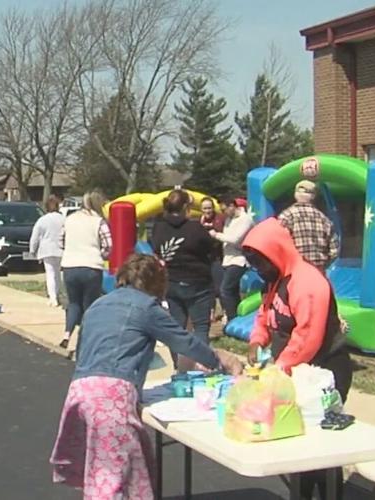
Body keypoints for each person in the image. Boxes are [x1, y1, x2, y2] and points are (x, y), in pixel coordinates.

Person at [50, 254, 242, 498]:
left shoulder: (97, 305)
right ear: (156, 284)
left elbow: (86, 349)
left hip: (80, 390)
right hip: (111, 395)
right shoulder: (146, 307)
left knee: (112, 465)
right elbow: (183, 341)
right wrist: (219, 360)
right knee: (113, 479)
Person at [243, 217, 353, 500]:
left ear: (275, 251)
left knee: (320, 444)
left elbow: (308, 335)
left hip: (325, 370)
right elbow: (265, 314)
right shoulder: (275, 279)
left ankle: (330, 494)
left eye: (260, 262)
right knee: (297, 442)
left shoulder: (308, 281)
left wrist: (279, 368)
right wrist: (258, 340)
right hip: (293, 369)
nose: (258, 270)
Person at [150, 189, 215, 345]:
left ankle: (179, 365)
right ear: (186, 207)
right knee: (200, 327)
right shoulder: (195, 228)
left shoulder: (158, 228)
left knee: (176, 328)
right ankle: (200, 366)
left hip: (172, 281)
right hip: (198, 282)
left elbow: (156, 250)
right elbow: (211, 250)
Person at [59, 191, 111, 351]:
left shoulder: (70, 219)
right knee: (89, 305)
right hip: (91, 266)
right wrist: (102, 255)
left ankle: (67, 334)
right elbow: (109, 245)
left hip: (70, 265)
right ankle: (85, 341)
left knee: (73, 303)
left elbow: (61, 240)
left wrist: (70, 250)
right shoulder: (99, 221)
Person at [209, 197, 254, 323]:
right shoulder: (229, 219)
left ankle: (231, 318)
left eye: (225, 209)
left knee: (225, 289)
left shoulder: (245, 219)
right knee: (232, 290)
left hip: (239, 259)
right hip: (228, 259)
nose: (224, 213)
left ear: (232, 206)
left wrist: (216, 235)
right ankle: (237, 318)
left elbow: (235, 239)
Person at [278, 180, 340, 270]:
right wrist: (323, 265)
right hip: (318, 272)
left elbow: (277, 243)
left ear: (295, 195)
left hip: (295, 271)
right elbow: (334, 250)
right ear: (313, 196)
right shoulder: (324, 219)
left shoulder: (286, 216)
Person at [30, 195, 65, 307]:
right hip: (61, 249)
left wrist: (32, 250)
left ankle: (52, 297)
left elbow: (35, 237)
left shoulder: (42, 220)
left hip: (46, 250)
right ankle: (58, 294)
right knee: (58, 274)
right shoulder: (63, 219)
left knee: (50, 273)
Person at [199, 197, 225, 311]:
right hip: (204, 258)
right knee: (207, 286)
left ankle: (225, 311)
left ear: (213, 208)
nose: (207, 211)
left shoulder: (220, 219)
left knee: (220, 287)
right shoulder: (200, 220)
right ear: (201, 209)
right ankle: (211, 310)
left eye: (209, 208)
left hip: (218, 257)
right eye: (205, 208)